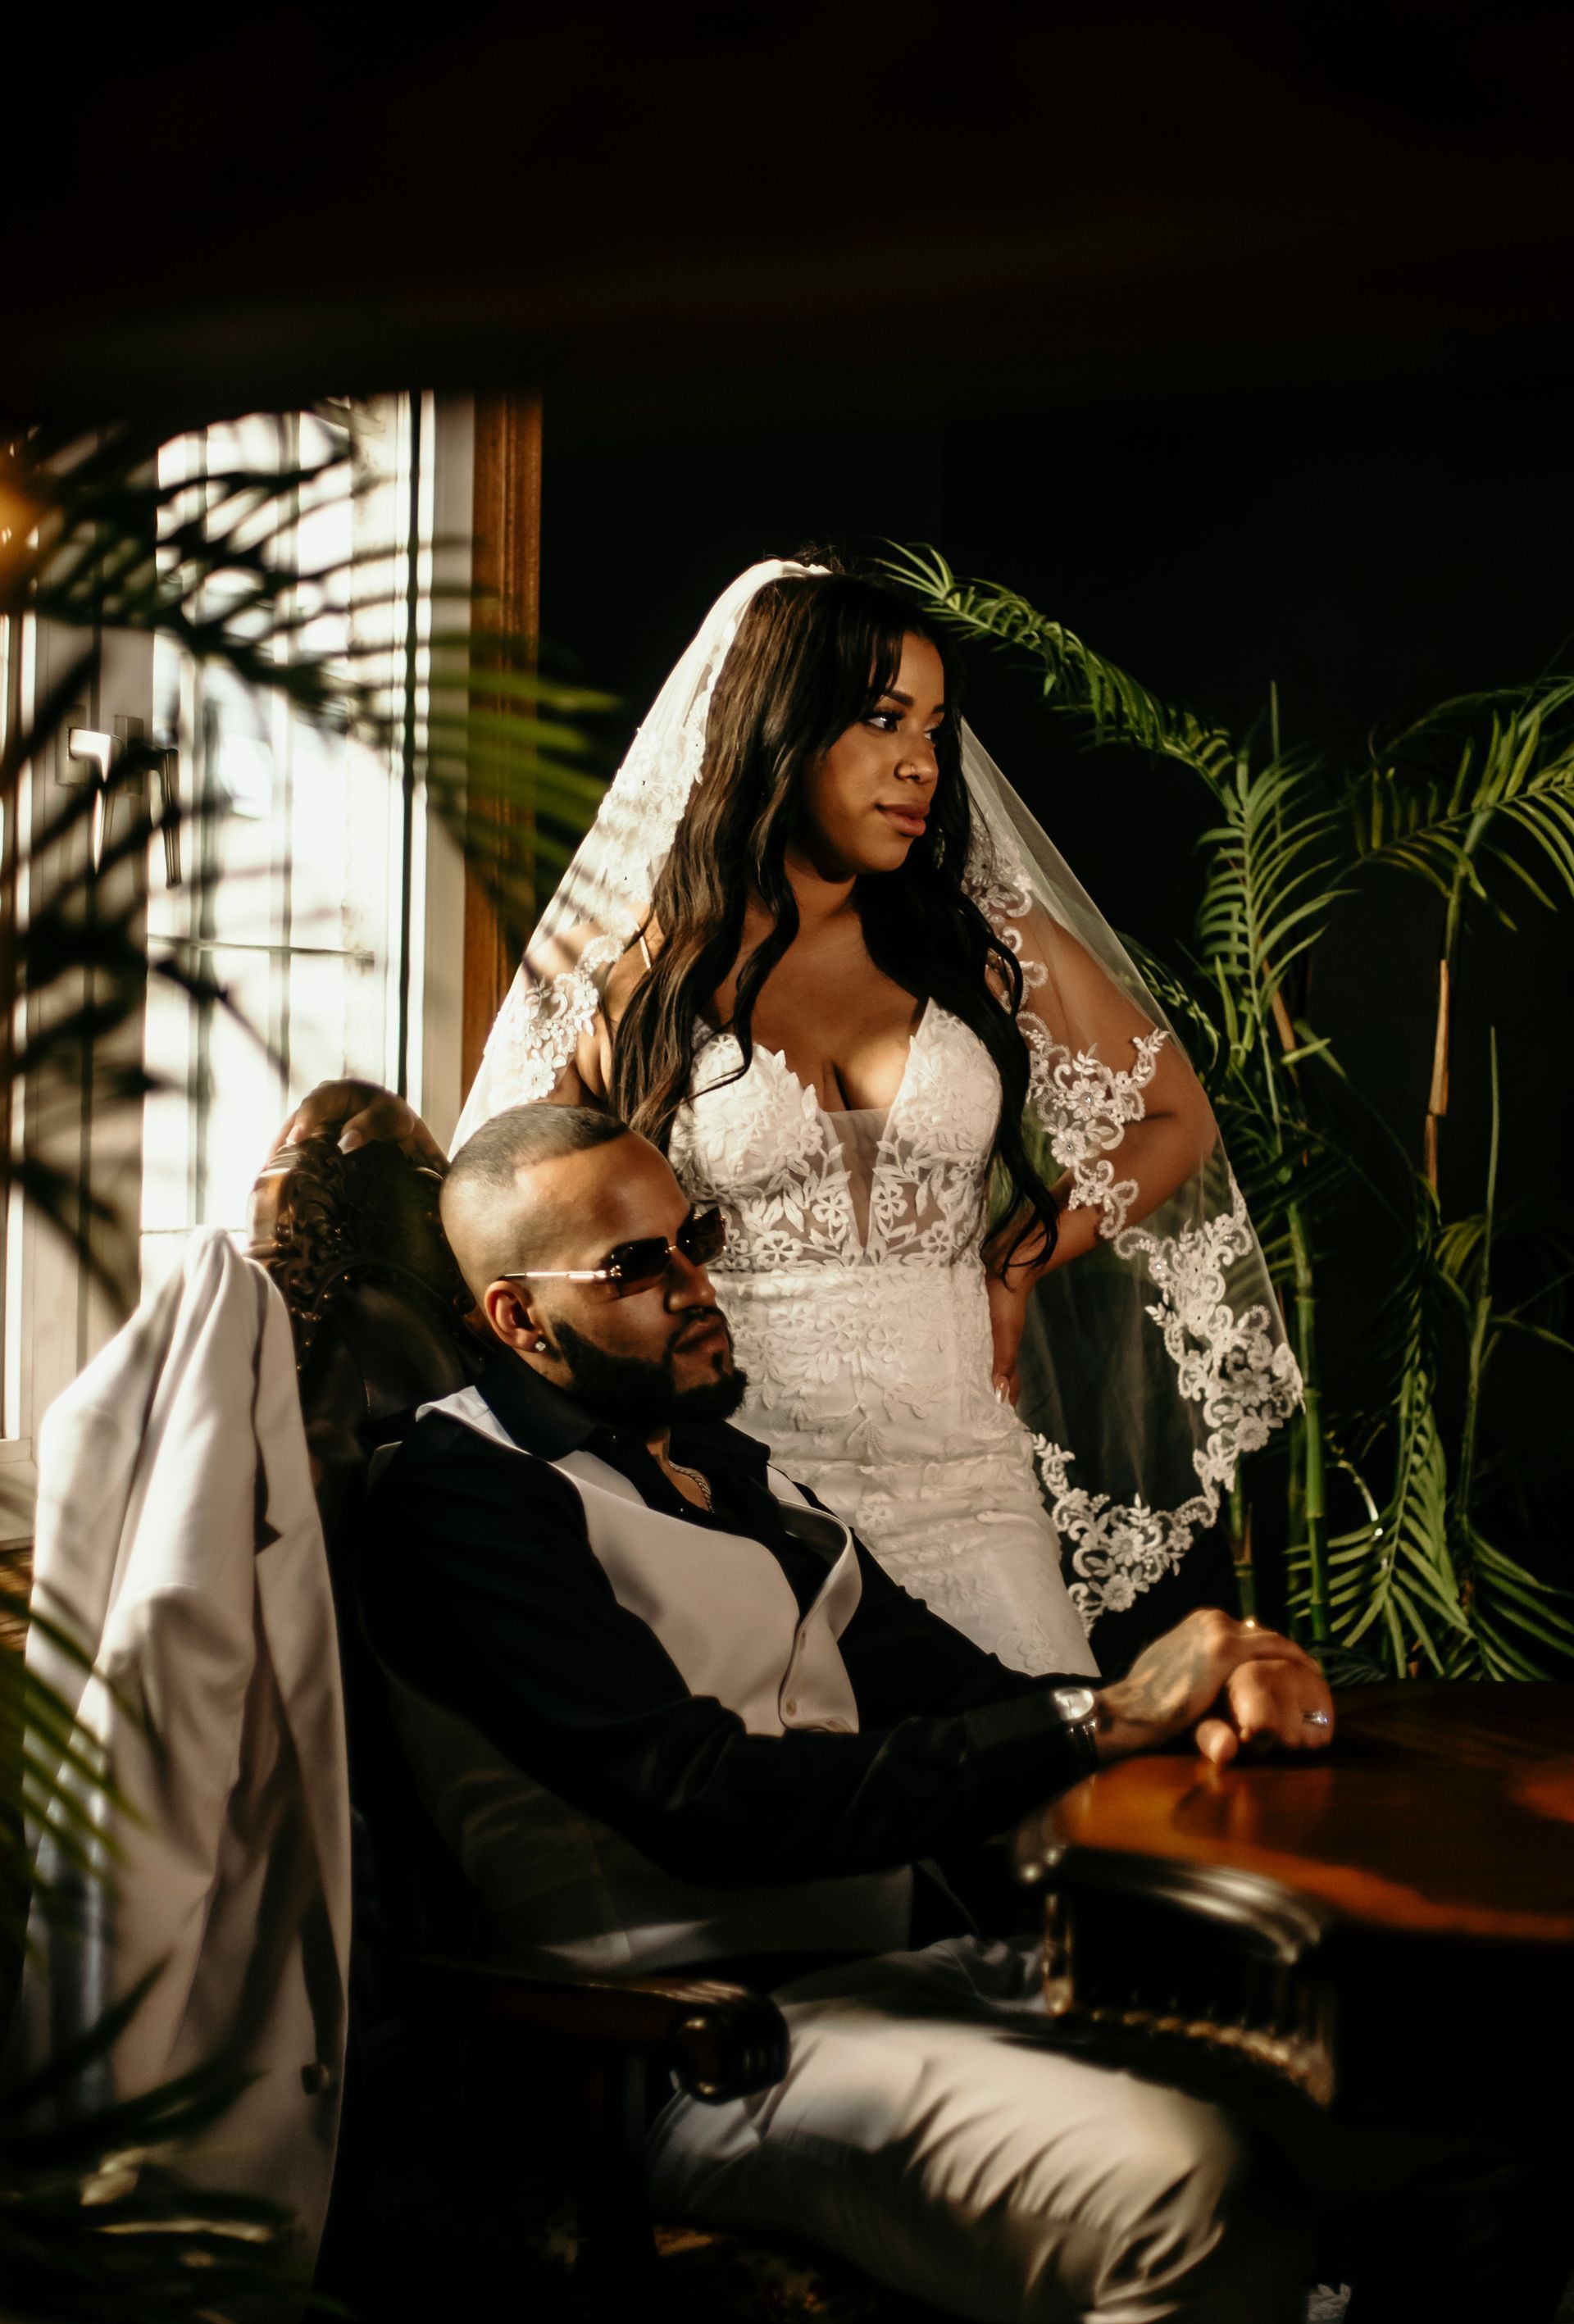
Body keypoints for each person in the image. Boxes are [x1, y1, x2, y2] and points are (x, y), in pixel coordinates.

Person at [360, 1101, 1333, 2324]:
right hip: (690, 2053)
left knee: (1410, 2097)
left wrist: (1191, 1711)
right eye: (636, 1264)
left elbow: (968, 1694)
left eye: (692, 1235)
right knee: (1197, 2197)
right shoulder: (462, 1505)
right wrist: (1108, 1718)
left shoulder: (731, 1469)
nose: (696, 1282)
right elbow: (706, 1801)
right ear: (516, 1317)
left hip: (915, 1979)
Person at [293, 557, 1302, 1673]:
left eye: (935, 725)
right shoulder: (620, 975)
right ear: (779, 726)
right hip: (738, 1497)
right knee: (824, 1816)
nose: (923, 762)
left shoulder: (978, 939)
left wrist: (1021, 1257)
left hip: (972, 1490)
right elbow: (504, 1226)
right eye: (882, 721)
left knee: (1042, 1792)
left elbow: (1174, 1117)